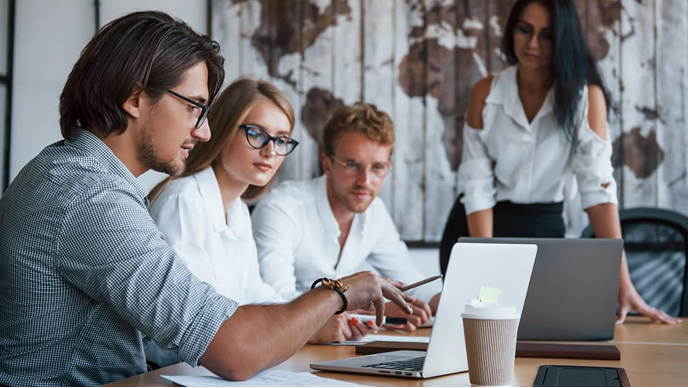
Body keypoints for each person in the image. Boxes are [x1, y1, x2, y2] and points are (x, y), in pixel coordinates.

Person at [0, 11, 415, 386]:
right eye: (194, 108)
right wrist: (338, 292)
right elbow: (234, 351)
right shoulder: (91, 197)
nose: (203, 132)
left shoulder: (74, 175)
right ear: (134, 97)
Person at [443, 0, 680, 325]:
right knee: (482, 330)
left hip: (544, 230)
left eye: (547, 35)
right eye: (524, 30)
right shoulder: (485, 93)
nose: (532, 44)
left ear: (563, 40)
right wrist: (486, 267)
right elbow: (477, 187)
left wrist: (623, 283)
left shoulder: (585, 97)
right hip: (483, 227)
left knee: (545, 331)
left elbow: (598, 192)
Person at [147, 78, 376, 350]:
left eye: (280, 140)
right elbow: (192, 323)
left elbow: (255, 294)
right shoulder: (183, 201)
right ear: (223, 129)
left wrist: (320, 316)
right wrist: (308, 327)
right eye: (256, 133)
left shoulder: (238, 210)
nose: (270, 151)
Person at [252, 103, 441, 331]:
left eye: (378, 167)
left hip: (337, 345)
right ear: (327, 164)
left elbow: (412, 285)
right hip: (282, 347)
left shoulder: (375, 212)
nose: (365, 181)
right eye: (352, 165)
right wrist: (361, 312)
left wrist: (455, 304)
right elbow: (275, 300)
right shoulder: (281, 208)